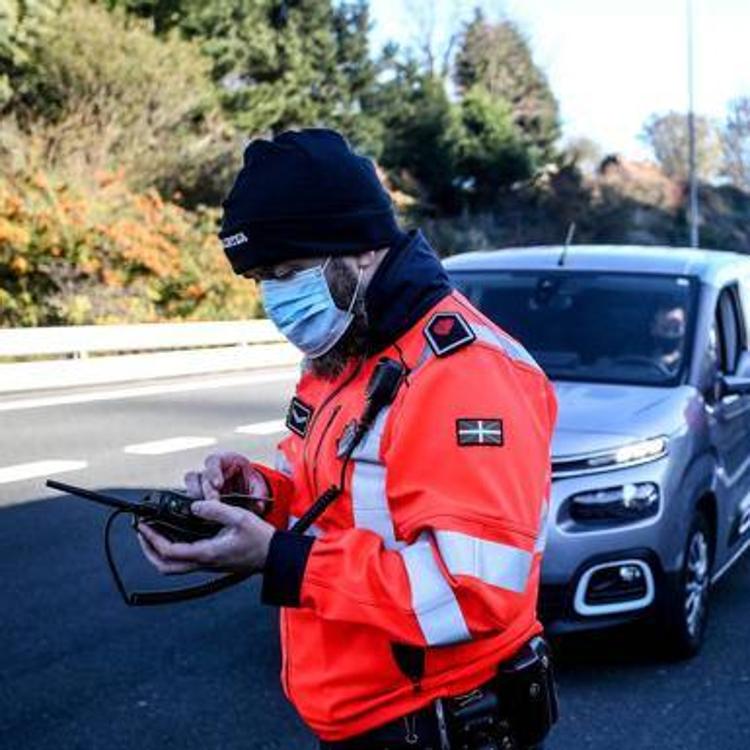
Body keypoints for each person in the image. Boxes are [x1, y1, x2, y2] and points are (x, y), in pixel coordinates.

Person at [136, 128, 559, 749]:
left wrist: (279, 559)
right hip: (369, 716)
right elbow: (336, 498)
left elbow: (472, 595)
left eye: (286, 271)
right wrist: (256, 496)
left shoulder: (462, 375)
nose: (276, 298)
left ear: (360, 250)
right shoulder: (345, 351)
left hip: (443, 722)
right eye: (260, 279)